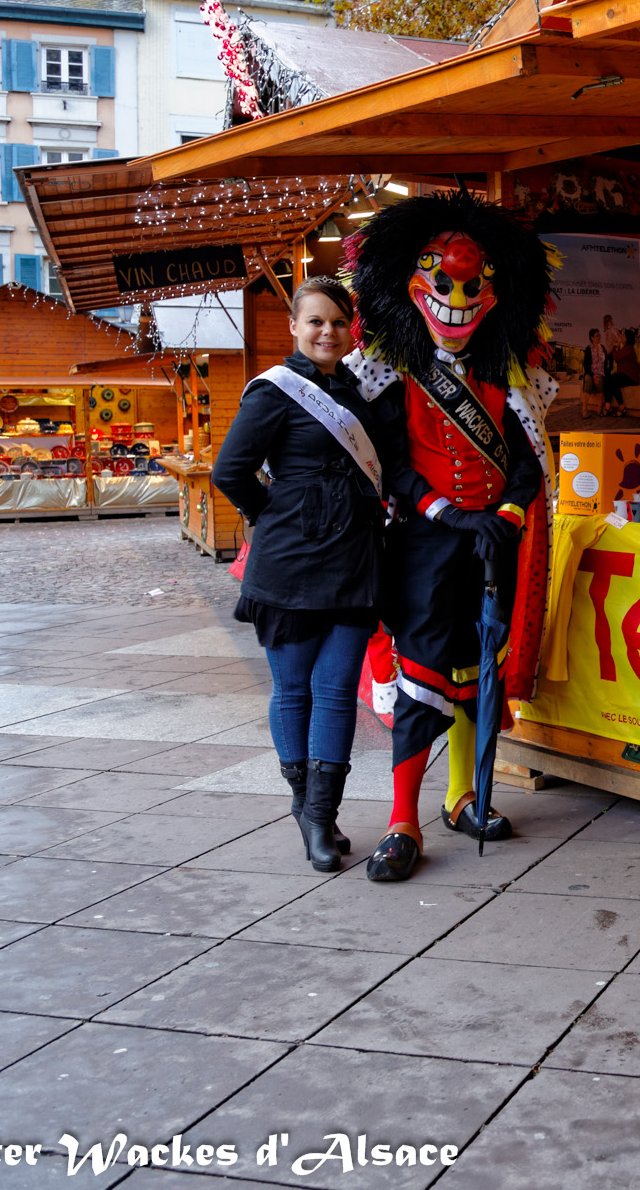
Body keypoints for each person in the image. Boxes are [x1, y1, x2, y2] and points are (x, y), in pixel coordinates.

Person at [345, 192, 559, 884]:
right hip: (425, 550)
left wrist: (510, 514)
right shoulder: (394, 375)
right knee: (422, 684)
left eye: (473, 286)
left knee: (479, 674)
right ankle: (401, 820)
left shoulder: (507, 379)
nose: (458, 299)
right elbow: (392, 465)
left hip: (491, 545)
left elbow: (525, 462)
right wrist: (447, 514)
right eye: (444, 282)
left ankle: (461, 796)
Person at [213, 277, 403, 873]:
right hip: (290, 565)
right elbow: (230, 471)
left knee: (337, 690)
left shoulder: (360, 393)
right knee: (294, 690)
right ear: (294, 326)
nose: (328, 332)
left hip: (354, 561)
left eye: (339, 322)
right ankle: (309, 813)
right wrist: (278, 514)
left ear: (351, 330)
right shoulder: (273, 391)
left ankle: (321, 813)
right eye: (316, 321)